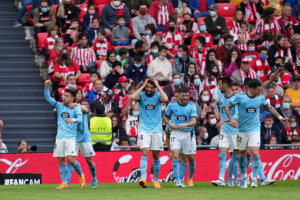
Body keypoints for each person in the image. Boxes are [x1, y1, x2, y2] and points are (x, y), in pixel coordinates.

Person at [225, 78, 288, 188]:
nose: (261, 92)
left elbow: (269, 107)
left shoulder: (260, 98)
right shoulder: (240, 97)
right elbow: (227, 107)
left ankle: (256, 179)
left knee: (255, 153)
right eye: (259, 90)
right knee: (243, 154)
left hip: (255, 129)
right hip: (242, 130)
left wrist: (279, 117)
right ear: (251, 89)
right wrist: (231, 119)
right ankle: (244, 176)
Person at [44, 80, 85, 189]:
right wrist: (46, 87)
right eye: (64, 95)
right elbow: (48, 98)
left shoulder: (76, 107)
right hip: (59, 138)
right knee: (61, 159)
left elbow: (80, 119)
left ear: (72, 98)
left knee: (71, 159)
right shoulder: (59, 106)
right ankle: (65, 183)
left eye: (67, 96)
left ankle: (81, 175)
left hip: (71, 138)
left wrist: (72, 119)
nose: (64, 97)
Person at [130, 78, 168, 188]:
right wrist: (143, 85)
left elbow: (165, 98)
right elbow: (132, 97)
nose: (149, 89)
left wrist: (157, 85)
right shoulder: (141, 95)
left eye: (152, 88)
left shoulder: (157, 96)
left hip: (157, 129)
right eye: (148, 87)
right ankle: (143, 178)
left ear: (155, 88)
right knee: (145, 151)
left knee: (156, 155)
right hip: (144, 129)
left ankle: (156, 180)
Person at [164, 87, 197, 187]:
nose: (186, 97)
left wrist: (185, 124)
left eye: (187, 95)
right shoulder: (172, 106)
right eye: (183, 95)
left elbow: (194, 122)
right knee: (175, 154)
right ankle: (178, 180)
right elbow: (165, 117)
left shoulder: (192, 106)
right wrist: (169, 124)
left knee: (185, 158)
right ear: (179, 96)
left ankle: (184, 179)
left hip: (187, 133)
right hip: (175, 133)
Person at [211, 77, 240, 187]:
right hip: (224, 131)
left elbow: (238, 115)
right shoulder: (222, 97)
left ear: (225, 85)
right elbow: (222, 112)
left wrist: (224, 120)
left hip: (235, 131)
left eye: (220, 84)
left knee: (235, 157)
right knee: (222, 155)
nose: (219, 87)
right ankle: (221, 179)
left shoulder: (236, 98)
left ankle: (235, 178)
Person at [65, 101, 98, 188]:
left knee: (89, 160)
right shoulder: (68, 110)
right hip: (73, 138)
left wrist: (78, 106)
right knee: (70, 159)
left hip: (84, 138)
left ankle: (94, 178)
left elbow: (86, 111)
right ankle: (68, 181)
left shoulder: (80, 107)